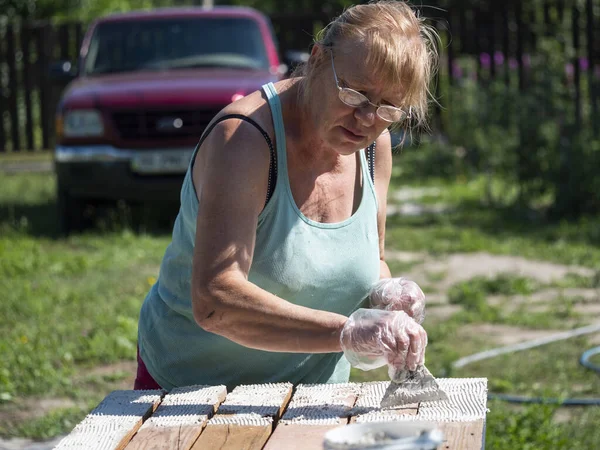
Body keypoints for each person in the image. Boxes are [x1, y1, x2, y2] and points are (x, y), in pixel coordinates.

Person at [135, 0, 439, 391]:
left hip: (314, 393)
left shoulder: (372, 148)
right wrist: (346, 333)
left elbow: (371, 258)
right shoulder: (245, 140)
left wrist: (386, 294)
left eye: (389, 107)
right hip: (192, 390)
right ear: (316, 60)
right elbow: (215, 301)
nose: (367, 119)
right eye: (355, 94)